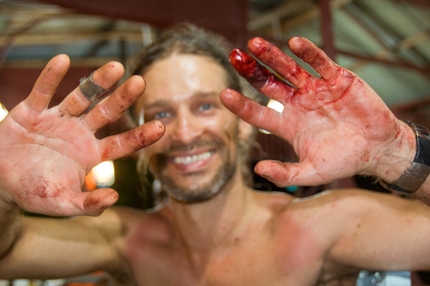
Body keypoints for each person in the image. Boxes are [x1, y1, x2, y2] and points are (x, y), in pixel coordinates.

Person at [0, 23, 430, 286]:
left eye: (206, 106)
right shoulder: (123, 240)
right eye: (162, 112)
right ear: (140, 136)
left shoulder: (328, 225)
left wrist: (397, 153)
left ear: (244, 122)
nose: (185, 133)